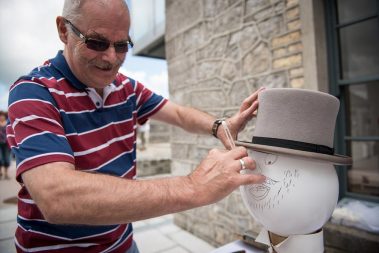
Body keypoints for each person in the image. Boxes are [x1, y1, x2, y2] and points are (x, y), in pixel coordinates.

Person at [6, 0, 265, 252]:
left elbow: (178, 113)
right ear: (64, 30)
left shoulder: (126, 88)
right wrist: (193, 187)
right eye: (97, 42)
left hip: (123, 244)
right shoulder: (33, 92)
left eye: (122, 45)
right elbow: (57, 197)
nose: (111, 57)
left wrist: (220, 126)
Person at [0, 111, 11, 180]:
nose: (1, 117)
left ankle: (6, 174)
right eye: (0, 115)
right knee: (0, 159)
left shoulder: (8, 123)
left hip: (6, 144)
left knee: (7, 159)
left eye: (2, 115)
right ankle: (0, 172)